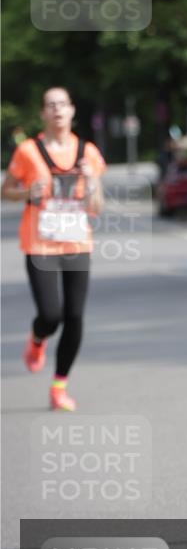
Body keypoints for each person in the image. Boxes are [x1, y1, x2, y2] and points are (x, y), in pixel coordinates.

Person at [1, 87, 106, 411]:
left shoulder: (88, 152)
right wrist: (25, 193)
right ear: (43, 114)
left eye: (63, 104)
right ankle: (37, 339)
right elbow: (6, 191)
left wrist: (90, 183)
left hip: (76, 242)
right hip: (40, 243)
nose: (57, 110)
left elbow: (97, 207)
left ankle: (59, 386)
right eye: (51, 105)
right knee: (51, 315)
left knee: (74, 316)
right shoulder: (29, 152)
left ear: (72, 110)